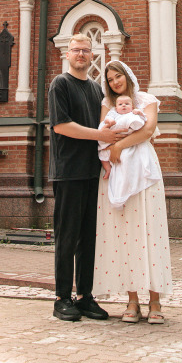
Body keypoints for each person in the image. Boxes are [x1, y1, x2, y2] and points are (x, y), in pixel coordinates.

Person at [48, 34, 126, 322]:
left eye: (85, 50)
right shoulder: (60, 84)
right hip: (68, 172)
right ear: (67, 55)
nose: (81, 54)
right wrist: (101, 135)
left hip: (93, 172)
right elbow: (61, 126)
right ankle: (61, 298)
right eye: (76, 50)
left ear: (92, 56)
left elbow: (108, 123)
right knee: (66, 237)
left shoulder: (96, 90)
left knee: (88, 239)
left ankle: (84, 297)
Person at [92, 60, 173, 325]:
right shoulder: (108, 104)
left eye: (118, 77)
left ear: (127, 75)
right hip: (117, 172)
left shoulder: (146, 99)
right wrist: (113, 148)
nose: (116, 82)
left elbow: (148, 130)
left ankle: (155, 300)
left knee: (149, 231)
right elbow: (103, 132)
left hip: (144, 171)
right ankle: (132, 300)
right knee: (124, 234)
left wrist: (119, 145)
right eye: (111, 79)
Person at [97, 95, 162, 209]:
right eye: (120, 104)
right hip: (111, 146)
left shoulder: (136, 110)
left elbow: (146, 127)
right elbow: (105, 123)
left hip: (135, 148)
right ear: (116, 107)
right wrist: (109, 122)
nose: (123, 106)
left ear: (132, 106)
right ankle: (107, 169)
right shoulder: (112, 111)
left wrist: (138, 114)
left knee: (128, 166)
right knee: (102, 153)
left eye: (127, 104)